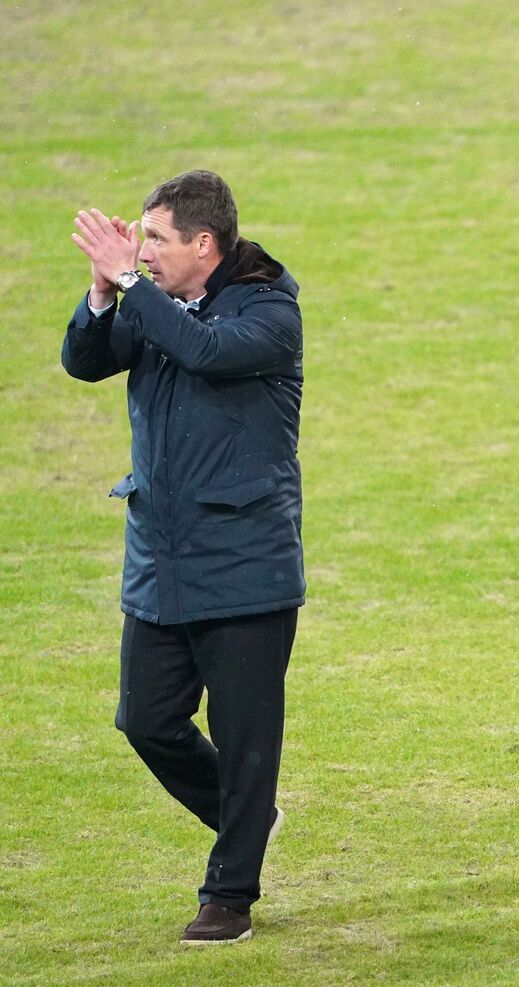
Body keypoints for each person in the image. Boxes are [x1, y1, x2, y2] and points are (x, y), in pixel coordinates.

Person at [64, 170, 305, 942]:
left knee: (246, 736)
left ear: (205, 244)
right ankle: (247, 818)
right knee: (146, 718)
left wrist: (132, 283)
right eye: (139, 237)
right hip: (160, 559)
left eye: (156, 238)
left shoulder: (269, 312)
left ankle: (228, 895)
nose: (144, 249)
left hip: (245, 565)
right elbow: (85, 361)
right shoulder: (152, 303)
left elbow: (200, 351)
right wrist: (105, 293)